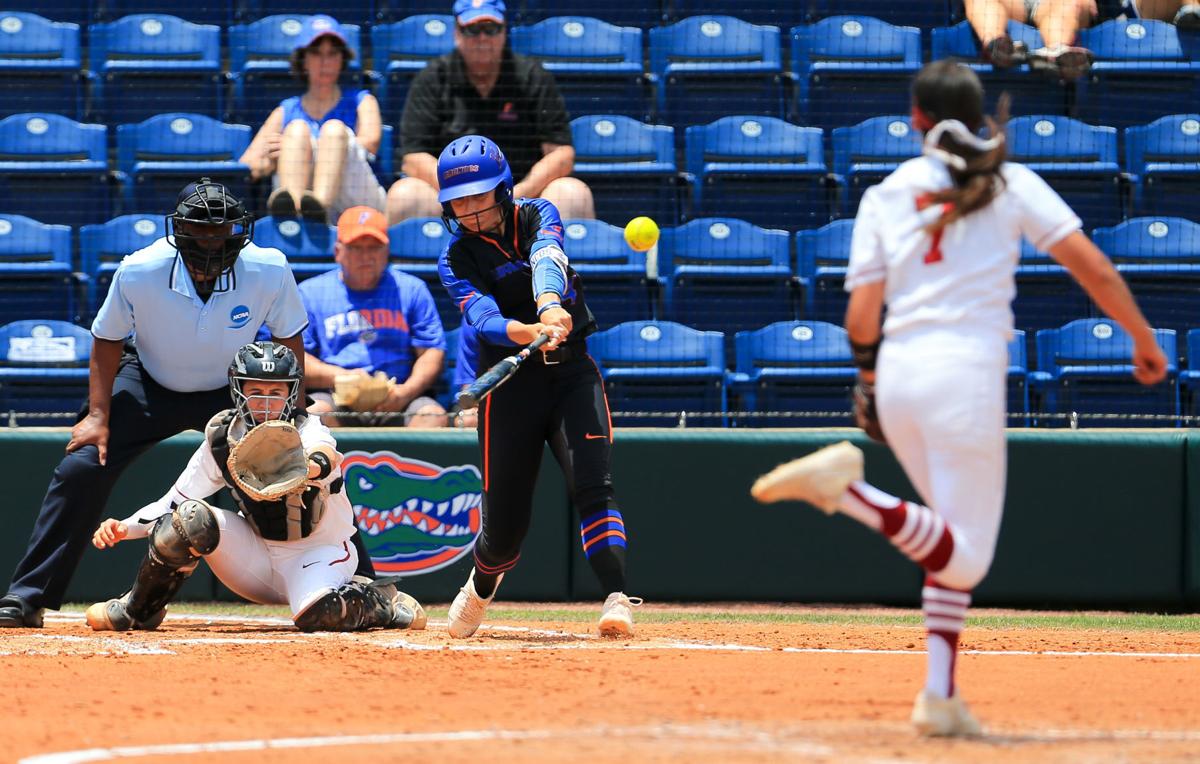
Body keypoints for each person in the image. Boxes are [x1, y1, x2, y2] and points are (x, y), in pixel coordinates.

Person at [750, 61, 1167, 737]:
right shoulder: (1010, 180)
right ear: (978, 117)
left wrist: (871, 381)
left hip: (902, 372)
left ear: (915, 119)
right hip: (965, 376)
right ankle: (847, 492)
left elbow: (861, 316)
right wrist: (1143, 340)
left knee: (946, 541)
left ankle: (940, 696)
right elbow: (1091, 266)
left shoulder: (888, 191)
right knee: (967, 553)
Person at [0, 179, 343, 628]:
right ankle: (27, 596)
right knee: (82, 465)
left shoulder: (269, 268)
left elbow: (288, 339)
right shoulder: (139, 270)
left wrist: (290, 417)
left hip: (231, 388)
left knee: (300, 465)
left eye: (221, 235)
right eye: (200, 234)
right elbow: (106, 338)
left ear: (239, 236)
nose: (211, 245)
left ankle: (360, 580)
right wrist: (98, 417)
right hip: (148, 381)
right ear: (179, 233)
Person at [436, 134, 637, 638]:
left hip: (571, 373)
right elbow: (480, 317)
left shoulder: (537, 213)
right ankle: (481, 586)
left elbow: (548, 255)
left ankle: (617, 597)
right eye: (459, 201)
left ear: (502, 190)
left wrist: (550, 306)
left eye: (479, 197)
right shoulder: (455, 258)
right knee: (504, 530)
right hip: (511, 387)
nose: (470, 210)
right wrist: (526, 331)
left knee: (592, 485)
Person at [85, 341, 425, 633]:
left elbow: (324, 457)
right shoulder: (222, 437)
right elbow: (173, 502)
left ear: (291, 394)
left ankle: (381, 601)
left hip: (319, 553)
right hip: (255, 558)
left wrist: (300, 466)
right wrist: (124, 527)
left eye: (275, 392)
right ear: (238, 391)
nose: (265, 402)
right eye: (256, 391)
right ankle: (137, 610)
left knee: (315, 614)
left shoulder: (309, 428)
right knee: (188, 518)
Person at [385, 0, 594, 225]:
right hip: (455, 199)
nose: (482, 38)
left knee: (573, 193)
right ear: (457, 33)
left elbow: (561, 153)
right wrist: (464, 194)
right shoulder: (432, 79)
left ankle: (549, 260)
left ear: (504, 32)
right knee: (405, 194)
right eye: (473, 29)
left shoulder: (532, 76)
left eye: (491, 29)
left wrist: (517, 192)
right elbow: (413, 158)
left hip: (520, 198)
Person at [301, 206, 448, 427]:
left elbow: (431, 351)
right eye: (356, 248)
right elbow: (297, 356)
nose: (366, 256)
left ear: (387, 250)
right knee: (314, 413)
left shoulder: (411, 289)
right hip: (337, 396)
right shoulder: (311, 293)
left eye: (374, 247)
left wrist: (405, 393)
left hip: (399, 396)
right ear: (338, 250)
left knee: (432, 416)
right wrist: (339, 376)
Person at [238, 14, 385, 224]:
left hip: (357, 204)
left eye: (332, 53)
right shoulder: (286, 109)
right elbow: (246, 167)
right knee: (296, 130)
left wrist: (308, 148)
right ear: (303, 60)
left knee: (333, 130)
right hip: (299, 193)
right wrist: (268, 160)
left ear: (342, 58)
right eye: (316, 53)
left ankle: (319, 210)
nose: (325, 61)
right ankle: (296, 216)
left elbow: (371, 143)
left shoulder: (362, 100)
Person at [966, 0, 1097, 78]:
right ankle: (997, 46)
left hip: (1052, 3)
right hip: (1012, 4)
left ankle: (1057, 53)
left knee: (1073, 2)